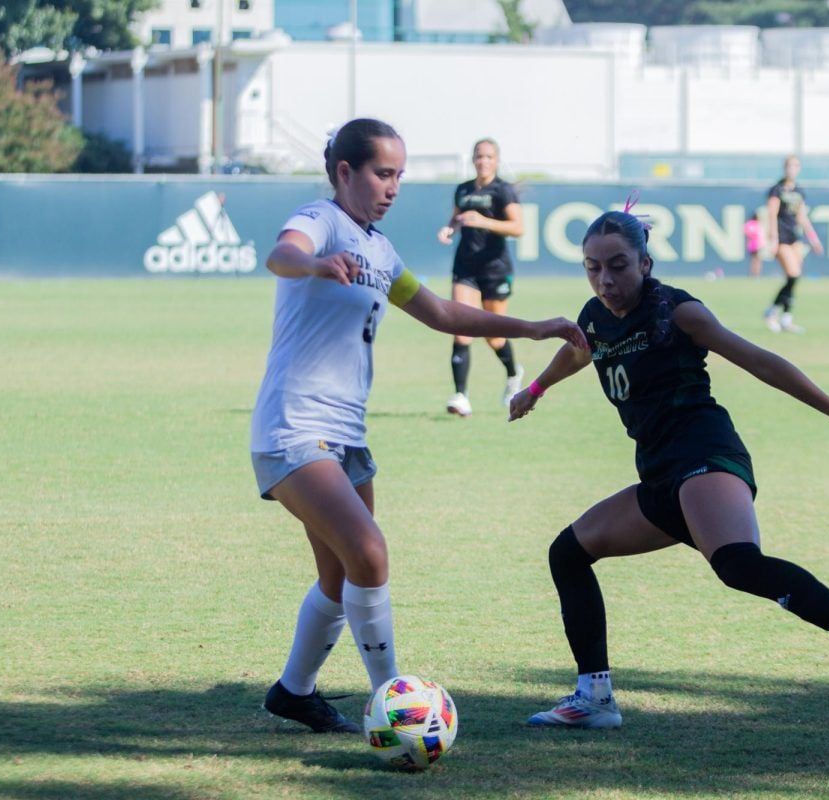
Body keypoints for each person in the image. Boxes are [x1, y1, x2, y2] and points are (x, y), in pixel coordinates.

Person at [508, 201, 829, 729]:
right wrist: (536, 388)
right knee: (568, 554)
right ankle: (594, 698)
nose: (605, 279)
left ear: (645, 263)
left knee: (737, 565)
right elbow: (581, 352)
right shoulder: (594, 318)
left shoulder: (678, 312)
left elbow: (761, 360)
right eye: (593, 267)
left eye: (618, 265)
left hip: (705, 454)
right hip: (659, 472)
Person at [251, 118, 586, 734]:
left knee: (339, 573)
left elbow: (437, 311)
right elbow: (281, 254)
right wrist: (316, 263)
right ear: (345, 172)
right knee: (370, 554)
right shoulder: (320, 221)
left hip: (347, 435)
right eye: (383, 172)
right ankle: (397, 704)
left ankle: (293, 692)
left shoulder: (380, 251)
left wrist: (534, 328)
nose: (394, 186)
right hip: (295, 430)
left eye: (400, 174)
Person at [437, 138, 525, 417]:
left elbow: (518, 227)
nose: (483, 161)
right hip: (465, 268)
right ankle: (461, 395)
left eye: (488, 156)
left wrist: (483, 221)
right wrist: (449, 229)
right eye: (479, 156)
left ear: (496, 160)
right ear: (473, 159)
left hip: (495, 269)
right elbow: (456, 218)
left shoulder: (503, 190)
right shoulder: (463, 189)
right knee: (461, 326)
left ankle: (513, 373)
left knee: (493, 334)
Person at [764, 156, 822, 333]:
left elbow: (801, 216)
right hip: (781, 238)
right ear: (784, 168)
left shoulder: (799, 191)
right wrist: (773, 238)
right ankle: (772, 313)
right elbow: (772, 214)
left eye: (796, 166)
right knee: (793, 273)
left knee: (794, 279)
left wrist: (813, 238)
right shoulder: (777, 189)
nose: (792, 169)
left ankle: (785, 318)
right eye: (790, 166)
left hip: (794, 237)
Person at [744, 210, 766, 278]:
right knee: (758, 260)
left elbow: (746, 232)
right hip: (757, 245)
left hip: (751, 245)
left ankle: (753, 273)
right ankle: (757, 273)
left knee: (753, 260)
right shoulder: (757, 224)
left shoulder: (749, 224)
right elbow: (760, 235)